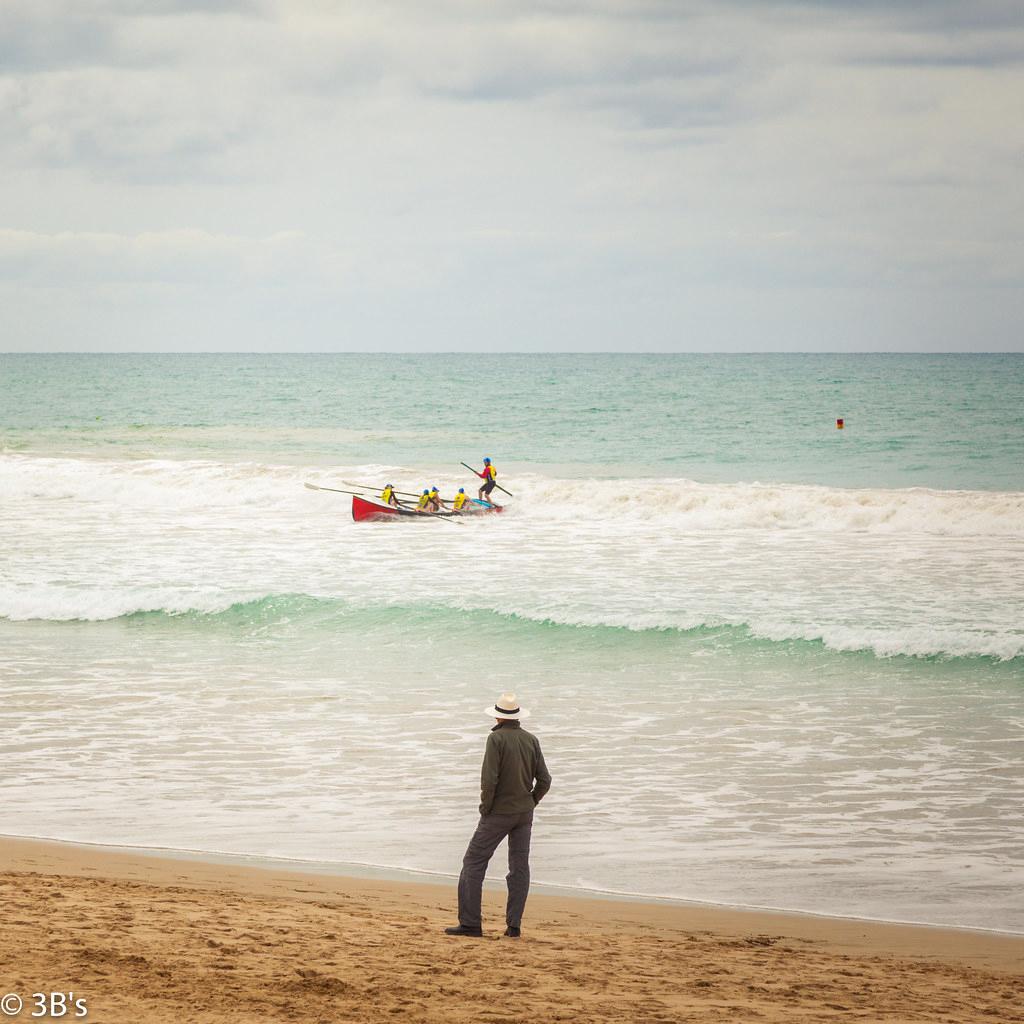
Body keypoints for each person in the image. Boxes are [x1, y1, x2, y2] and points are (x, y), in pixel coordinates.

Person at [445, 693, 551, 939]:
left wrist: (486, 808)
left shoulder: (496, 739)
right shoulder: (531, 739)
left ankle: (470, 924)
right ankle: (513, 926)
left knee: (473, 863)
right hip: (524, 813)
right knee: (519, 867)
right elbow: (545, 780)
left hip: (499, 812)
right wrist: (531, 801)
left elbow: (489, 780)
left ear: (498, 716)